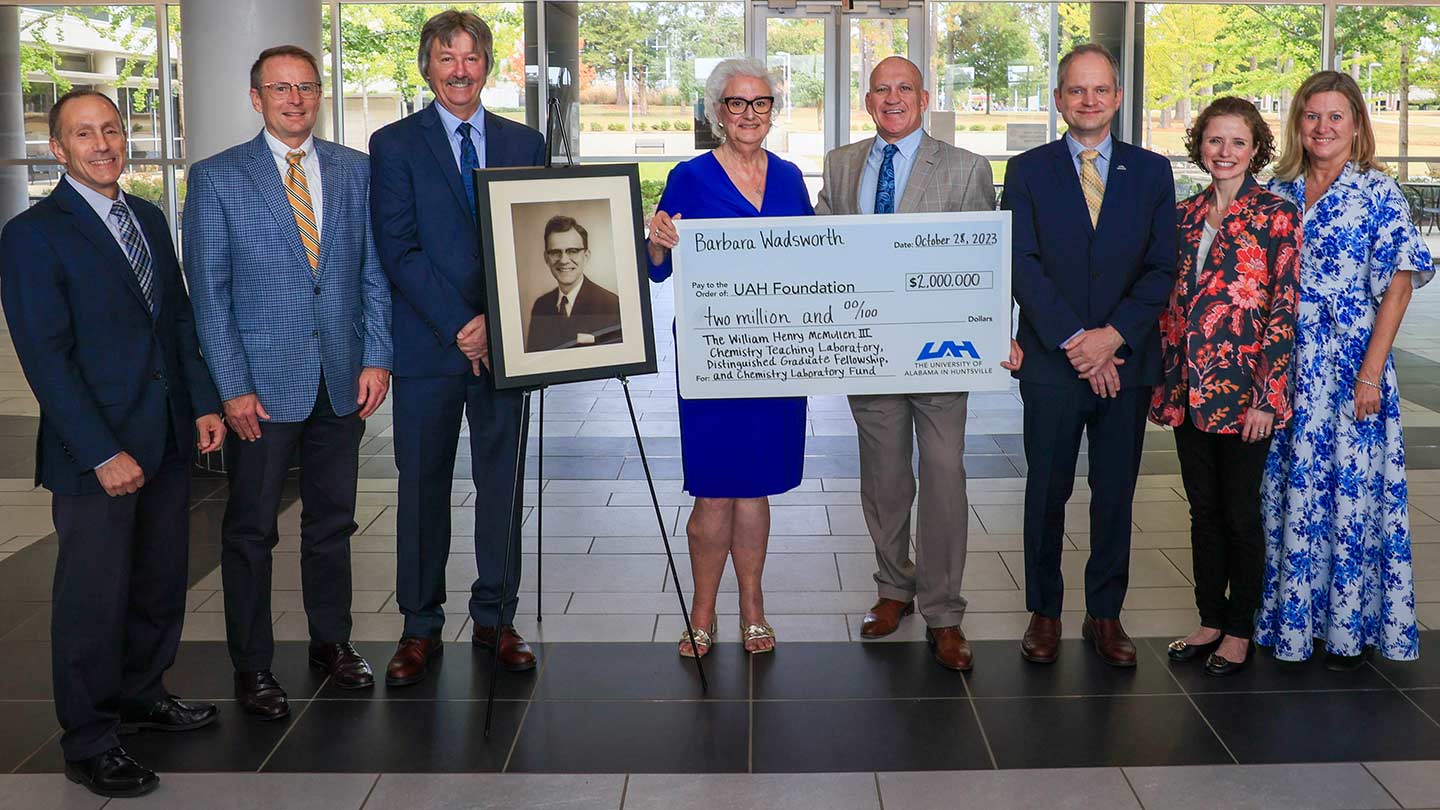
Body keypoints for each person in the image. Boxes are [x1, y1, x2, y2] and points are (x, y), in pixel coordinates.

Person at [0, 90, 225, 798]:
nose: (103, 144)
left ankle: (141, 694)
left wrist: (203, 407)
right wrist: (101, 451)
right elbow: (46, 357)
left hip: (161, 437)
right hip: (96, 453)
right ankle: (90, 739)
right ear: (57, 150)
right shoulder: (33, 234)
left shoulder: (149, 218)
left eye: (111, 130)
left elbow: (178, 323)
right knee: (93, 601)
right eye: (83, 134)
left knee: (159, 580)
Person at [184, 45, 393, 718]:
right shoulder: (217, 178)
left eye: (306, 87)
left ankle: (331, 643)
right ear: (257, 98)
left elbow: (373, 275)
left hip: (340, 379)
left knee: (331, 523)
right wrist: (232, 386)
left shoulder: (356, 171)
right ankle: (253, 667)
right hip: (262, 390)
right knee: (250, 532)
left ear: (319, 93)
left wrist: (377, 355)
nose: (295, 99)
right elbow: (208, 294)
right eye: (280, 88)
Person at [813, 55, 1020, 672]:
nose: (893, 98)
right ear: (867, 98)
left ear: (923, 97)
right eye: (882, 89)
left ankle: (944, 611)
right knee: (883, 478)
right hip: (869, 354)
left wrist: (992, 333)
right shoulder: (842, 164)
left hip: (939, 355)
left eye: (904, 88)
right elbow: (823, 244)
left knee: (943, 474)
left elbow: (988, 263)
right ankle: (892, 588)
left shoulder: (965, 168)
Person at [370, 9, 547, 685]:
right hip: (429, 348)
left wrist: (495, 324)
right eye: (447, 58)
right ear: (427, 66)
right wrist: (462, 323)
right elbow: (399, 249)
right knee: (422, 490)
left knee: (502, 487)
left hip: (508, 349)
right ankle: (419, 628)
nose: (460, 71)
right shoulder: (394, 144)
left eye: (472, 57)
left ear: (489, 66)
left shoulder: (523, 141)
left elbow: (531, 239)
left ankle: (497, 618)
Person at [1004, 43, 1177, 667]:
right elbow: (1019, 262)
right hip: (1053, 363)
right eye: (1076, 91)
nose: (1089, 101)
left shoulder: (1153, 172)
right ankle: (1044, 612)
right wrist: (1077, 341)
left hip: (1125, 365)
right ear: (1058, 100)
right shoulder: (1027, 170)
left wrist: (1112, 339)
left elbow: (1163, 268)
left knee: (1115, 495)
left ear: (1119, 98)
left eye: (1100, 90)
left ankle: (1105, 615)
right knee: (1046, 493)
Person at [1257, 70, 1433, 670]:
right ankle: (1289, 621)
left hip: (1350, 365)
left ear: (1356, 124)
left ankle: (1346, 626)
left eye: (1336, 116)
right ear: (1297, 124)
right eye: (1311, 116)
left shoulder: (1378, 193)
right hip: (1283, 365)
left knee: (1350, 493)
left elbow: (1400, 287)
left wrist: (1370, 371)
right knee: (1285, 492)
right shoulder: (1276, 192)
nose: (1323, 127)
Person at [646, 57, 810, 657]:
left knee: (757, 487)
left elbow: (814, 261)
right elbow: (656, 269)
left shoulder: (791, 178)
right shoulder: (689, 177)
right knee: (714, 489)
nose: (749, 114)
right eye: (736, 104)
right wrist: (657, 242)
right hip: (714, 358)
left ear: (771, 111)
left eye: (759, 103)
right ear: (717, 112)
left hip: (778, 356)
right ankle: (703, 610)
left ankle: (754, 608)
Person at [1150, 97, 1300, 677]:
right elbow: (1170, 304)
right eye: (1215, 140)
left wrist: (1269, 396)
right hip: (1189, 391)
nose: (1225, 151)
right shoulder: (1183, 215)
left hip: (1246, 397)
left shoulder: (1275, 215)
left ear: (1256, 148)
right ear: (1200, 146)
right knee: (1202, 512)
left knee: (1241, 514)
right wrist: (1163, 385)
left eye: (1238, 141)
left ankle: (1240, 629)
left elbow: (1283, 310)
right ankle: (1209, 619)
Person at [526, 214, 622, 351]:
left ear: (586, 256)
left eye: (572, 251)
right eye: (555, 252)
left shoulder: (611, 304)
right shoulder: (541, 305)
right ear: (546, 258)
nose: (564, 260)